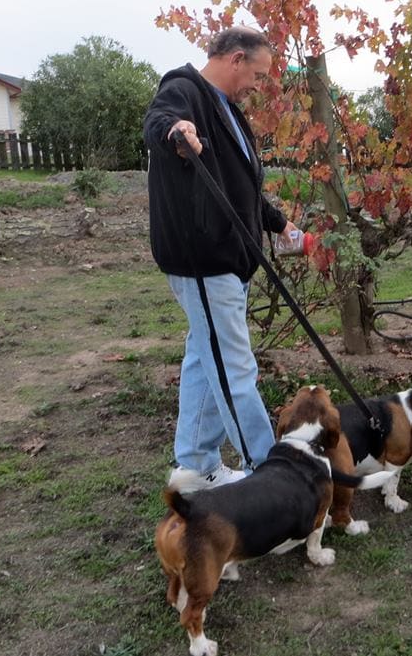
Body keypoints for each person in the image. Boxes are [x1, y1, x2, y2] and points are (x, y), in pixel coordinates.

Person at [144, 26, 298, 492]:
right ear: (235, 59)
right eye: (257, 73)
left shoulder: (228, 109)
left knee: (202, 359)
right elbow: (159, 120)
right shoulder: (185, 89)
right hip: (204, 258)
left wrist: (278, 223)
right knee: (235, 367)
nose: (258, 84)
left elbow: (238, 187)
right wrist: (177, 129)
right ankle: (272, 476)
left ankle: (194, 467)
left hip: (228, 259)